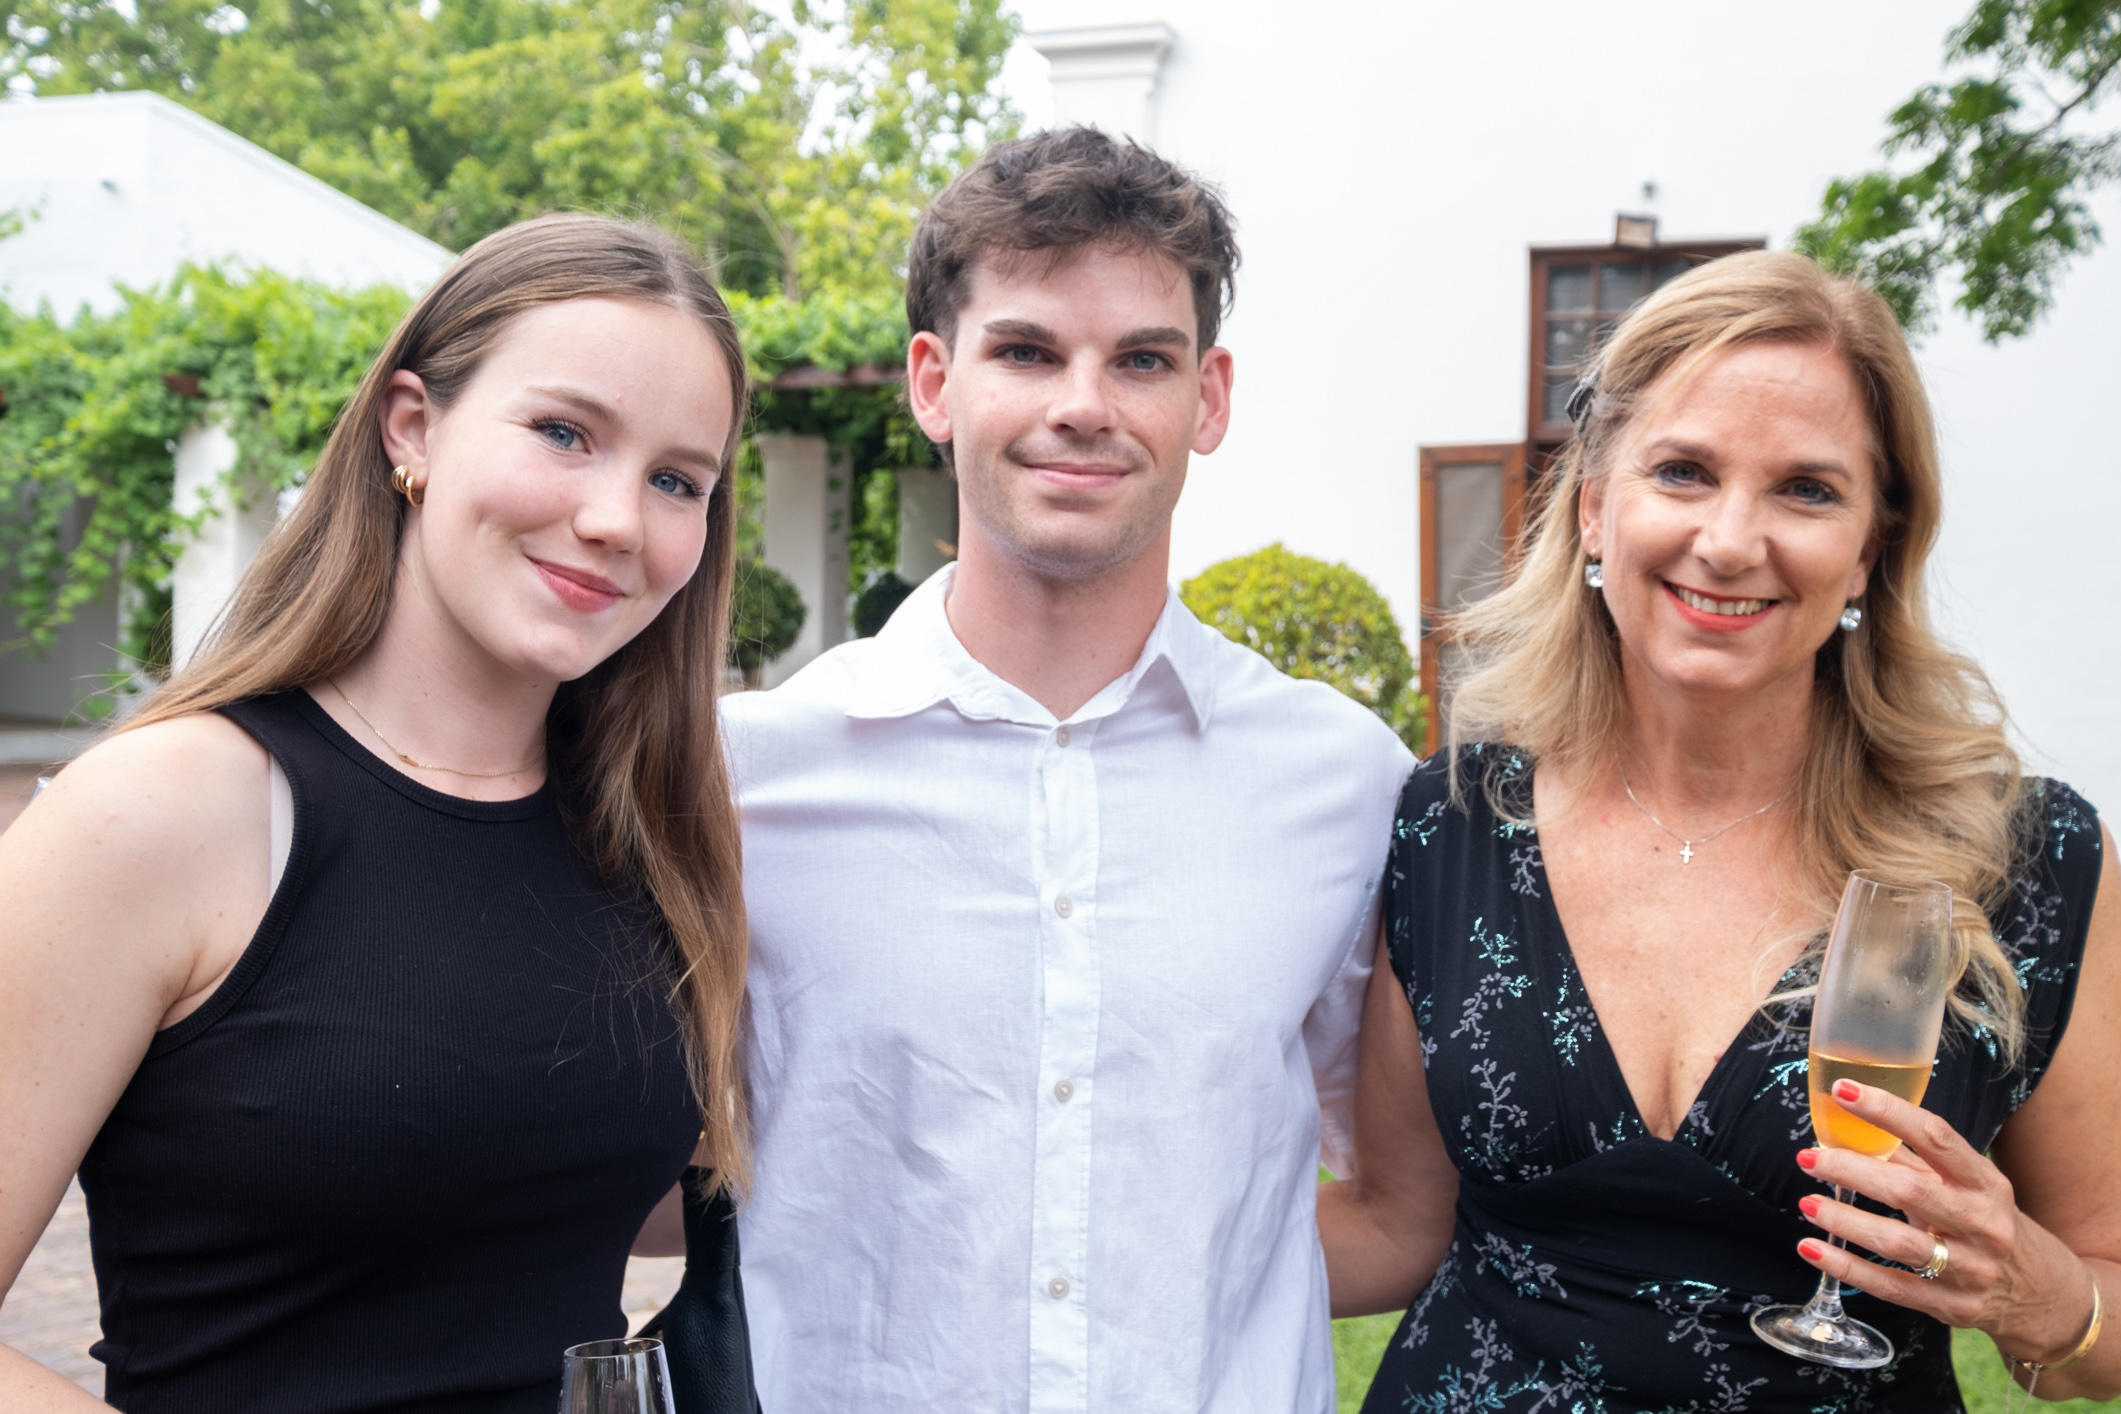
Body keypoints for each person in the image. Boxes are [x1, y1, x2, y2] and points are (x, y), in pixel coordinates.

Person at [1319, 250, 2119, 1411]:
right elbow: (1397, 1225)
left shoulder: (2020, 860)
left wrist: (2042, 1294)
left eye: (1807, 490)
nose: (1733, 540)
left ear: (1872, 546)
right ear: (1595, 507)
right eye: (1684, 472)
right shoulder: (1455, 822)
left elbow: (2096, 1321)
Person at [0, 214, 752, 1413]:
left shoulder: (645, 835)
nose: (618, 518)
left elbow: (557, 1185)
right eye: (564, 432)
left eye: (676, 481)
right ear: (413, 427)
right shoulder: (166, 809)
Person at [719, 127, 1414, 1411]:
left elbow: (1406, 1206)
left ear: (1208, 398)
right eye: (1028, 351)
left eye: (1141, 359)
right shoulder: (746, 779)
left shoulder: (1347, 785)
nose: (1083, 404)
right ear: (935, 383)